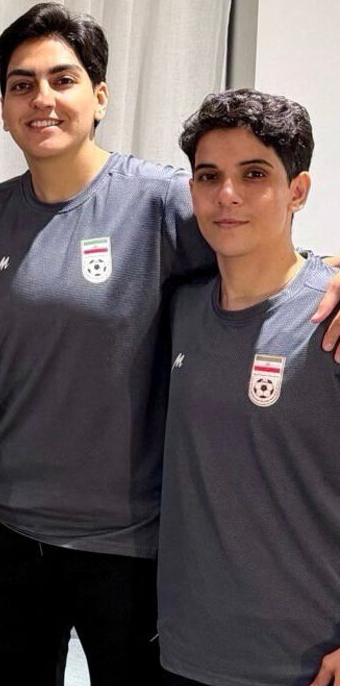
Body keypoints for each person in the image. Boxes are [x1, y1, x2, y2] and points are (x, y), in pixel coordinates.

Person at [0, 3, 340, 684]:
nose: (42, 98)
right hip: (2, 530)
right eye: (21, 84)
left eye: (62, 79)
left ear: (98, 96)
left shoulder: (166, 202)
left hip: (129, 546)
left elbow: (262, 251)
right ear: (4, 107)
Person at [159, 89, 340, 686]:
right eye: (209, 176)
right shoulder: (179, 309)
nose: (227, 195)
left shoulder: (330, 320)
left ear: (298, 191)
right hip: (185, 654)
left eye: (254, 174)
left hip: (304, 663)